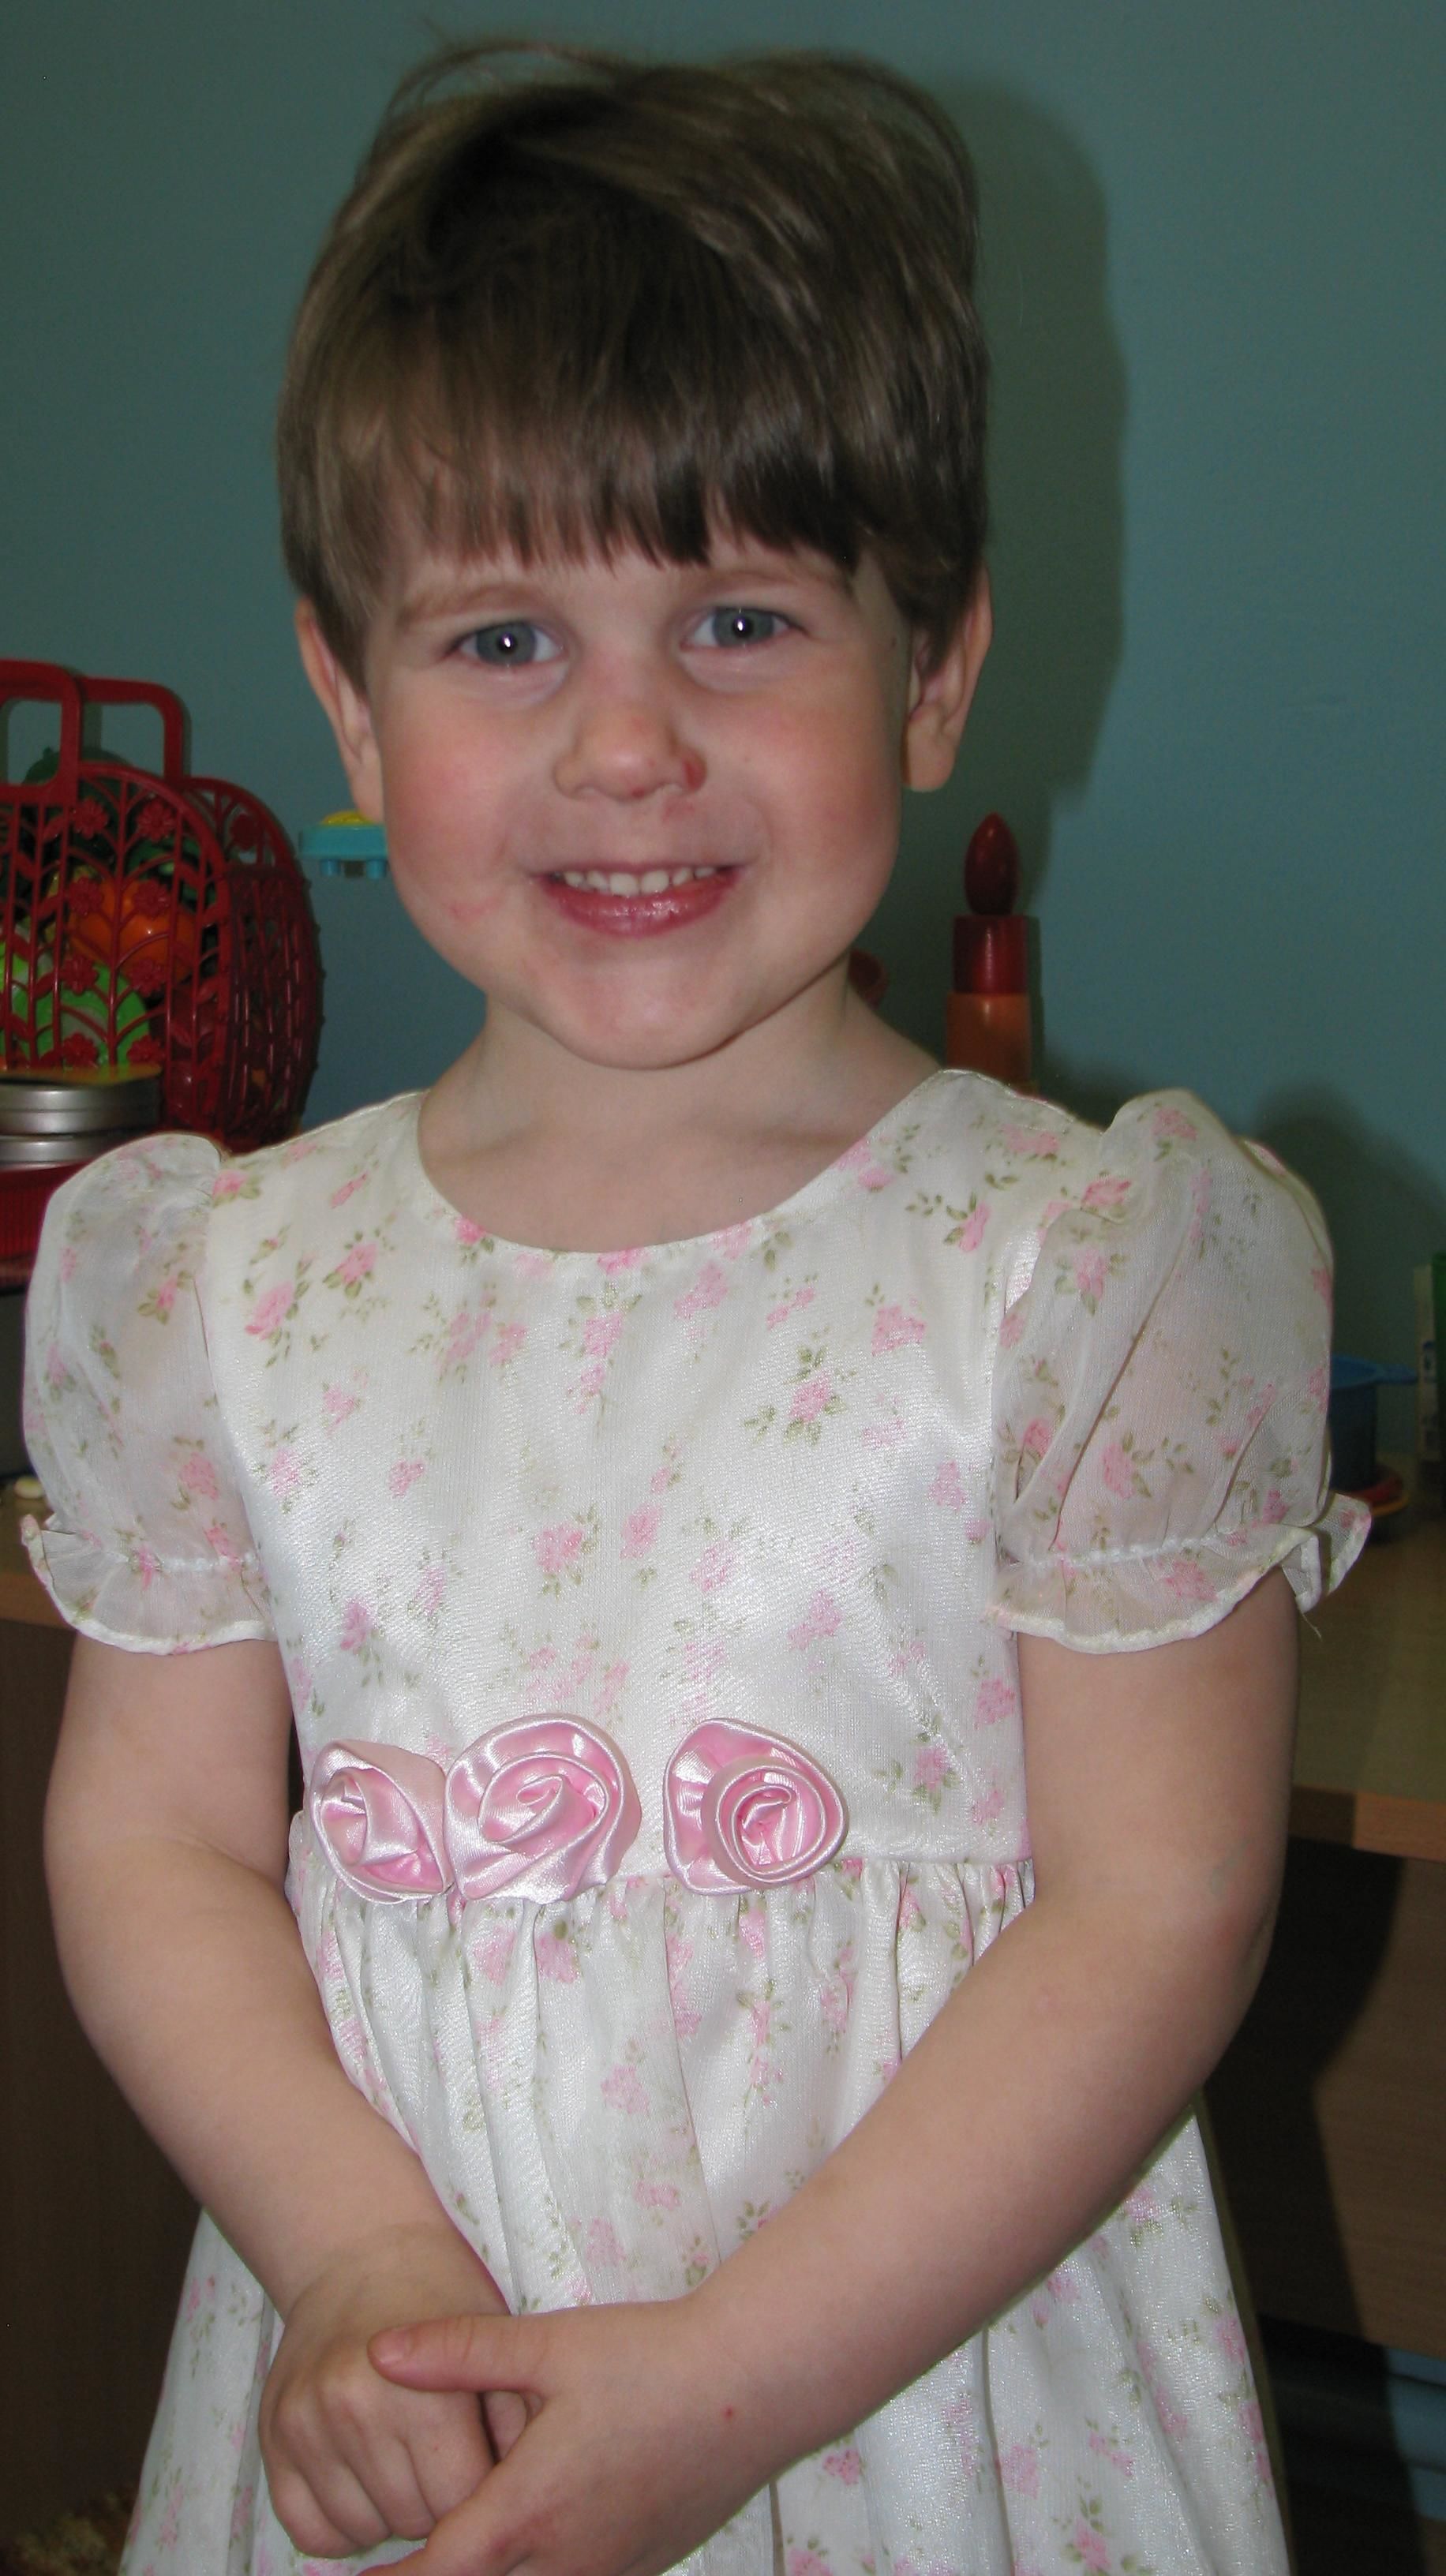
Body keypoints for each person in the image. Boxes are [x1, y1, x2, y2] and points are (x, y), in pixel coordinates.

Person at [24, 43, 1365, 2576]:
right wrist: (354, 2261)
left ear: (933, 672)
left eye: (739, 620)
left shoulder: (1084, 1275)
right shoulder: (222, 1287)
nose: (628, 744)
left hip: (919, 2403)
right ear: (349, 703)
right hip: (406, 2373)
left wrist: (727, 2389)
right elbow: (155, 1842)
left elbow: (1158, 1909)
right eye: (505, 636)